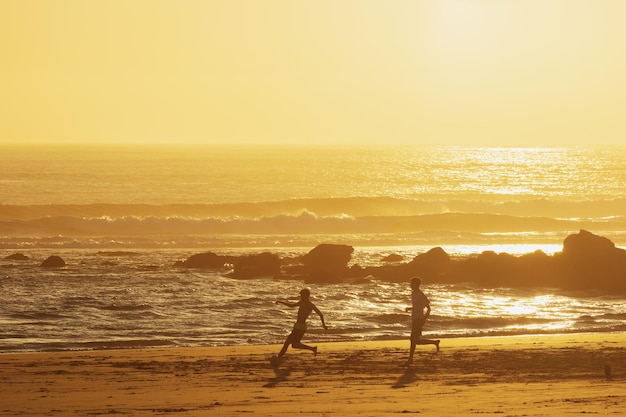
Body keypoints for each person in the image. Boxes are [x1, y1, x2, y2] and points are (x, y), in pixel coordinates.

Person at [272, 288, 327, 363]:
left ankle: (278, 358)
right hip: (298, 326)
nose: (301, 296)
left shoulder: (310, 305)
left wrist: (323, 325)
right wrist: (281, 302)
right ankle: (313, 349)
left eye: (302, 295)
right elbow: (291, 305)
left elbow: (320, 314)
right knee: (294, 345)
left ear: (306, 295)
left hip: (301, 327)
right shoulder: (301, 302)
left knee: (287, 342)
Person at [405, 277, 439, 363]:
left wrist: (423, 319)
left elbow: (428, 308)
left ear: (417, 285)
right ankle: (435, 342)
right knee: (416, 340)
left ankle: (410, 359)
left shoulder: (420, 294)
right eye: (411, 283)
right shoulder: (414, 293)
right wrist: (410, 308)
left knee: (413, 339)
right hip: (415, 318)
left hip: (418, 319)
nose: (411, 285)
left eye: (412, 283)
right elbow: (418, 306)